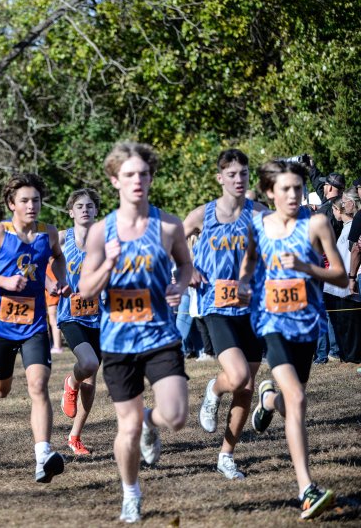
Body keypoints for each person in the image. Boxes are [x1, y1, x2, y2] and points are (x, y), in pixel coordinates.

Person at [78, 142, 191, 523]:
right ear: (115, 180)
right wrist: (109, 262)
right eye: (129, 174)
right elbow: (86, 290)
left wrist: (182, 286)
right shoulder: (100, 232)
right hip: (119, 342)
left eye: (143, 173)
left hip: (160, 335)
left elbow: (185, 266)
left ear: (150, 177)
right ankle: (131, 493)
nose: (137, 180)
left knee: (175, 416)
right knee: (125, 428)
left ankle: (150, 421)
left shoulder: (169, 225)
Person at [239, 160, 347, 520]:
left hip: (306, 325)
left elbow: (342, 276)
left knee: (291, 403)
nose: (292, 194)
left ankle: (268, 399)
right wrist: (241, 288)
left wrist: (306, 268)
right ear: (270, 192)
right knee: (299, 399)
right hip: (271, 324)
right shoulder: (258, 226)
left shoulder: (316, 223)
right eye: (285, 189)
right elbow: (249, 267)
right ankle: (306, 489)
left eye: (298, 188)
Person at [0, 172, 69, 484]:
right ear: (12, 204)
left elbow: (58, 259)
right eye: (24, 200)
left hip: (35, 324)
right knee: (1, 389)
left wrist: (58, 280)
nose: (31, 205)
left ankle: (42, 457)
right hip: (1, 325)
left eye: (36, 199)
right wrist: (4, 281)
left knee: (38, 384)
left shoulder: (48, 233)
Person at [183, 148, 268, 481]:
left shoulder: (259, 213)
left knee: (246, 390)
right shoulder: (202, 215)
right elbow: (173, 243)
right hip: (215, 305)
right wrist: (186, 267)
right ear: (220, 178)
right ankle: (213, 391)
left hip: (251, 308)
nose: (238, 179)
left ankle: (226, 455)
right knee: (237, 377)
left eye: (243, 174)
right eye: (232, 174)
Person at [55, 188, 102, 456]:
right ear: (71, 212)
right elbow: (41, 260)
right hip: (70, 314)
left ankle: (75, 436)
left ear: (96, 211)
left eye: (90, 206)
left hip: (100, 317)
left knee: (92, 380)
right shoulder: (61, 238)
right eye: (79, 206)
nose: (85, 209)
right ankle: (70, 383)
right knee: (88, 364)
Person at [322, 192, 361, 363]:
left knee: (349, 324)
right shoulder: (346, 229)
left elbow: (351, 255)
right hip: (343, 282)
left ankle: (349, 355)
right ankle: (345, 354)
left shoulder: (351, 228)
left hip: (347, 281)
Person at [45, 263, 64, 354]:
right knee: (52, 320)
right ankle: (55, 345)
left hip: (52, 295)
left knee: (54, 320)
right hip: (50, 295)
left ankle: (57, 346)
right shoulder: (53, 265)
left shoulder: (50, 265)